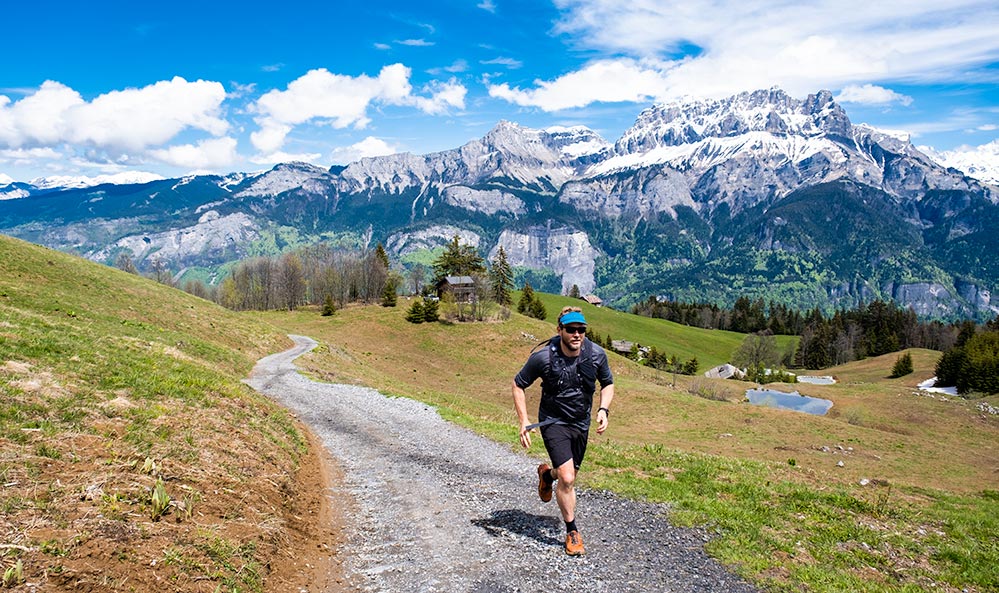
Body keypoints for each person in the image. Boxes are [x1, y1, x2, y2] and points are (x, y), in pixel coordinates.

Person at [512, 306, 614, 556]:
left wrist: (603, 409)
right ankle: (572, 531)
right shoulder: (543, 357)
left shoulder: (597, 355)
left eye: (581, 330)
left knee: (568, 475)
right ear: (560, 330)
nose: (577, 334)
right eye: (571, 330)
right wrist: (524, 420)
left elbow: (608, 383)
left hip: (580, 423)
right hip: (552, 422)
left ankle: (548, 476)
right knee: (568, 478)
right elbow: (518, 384)